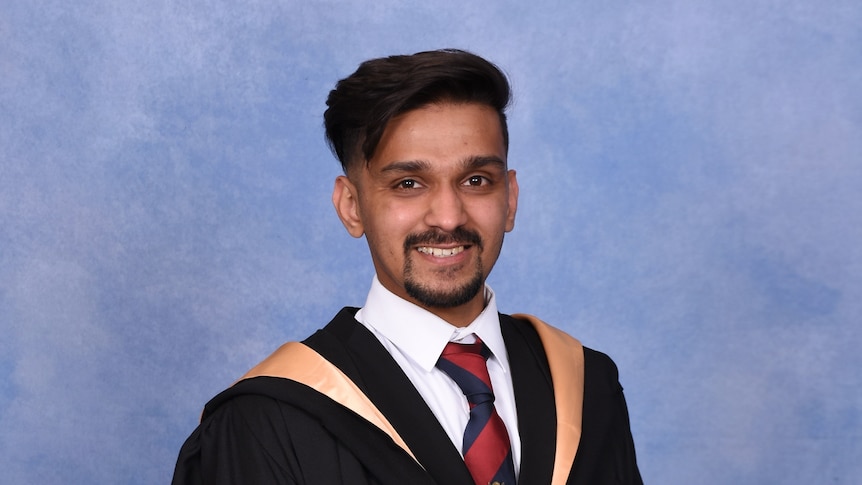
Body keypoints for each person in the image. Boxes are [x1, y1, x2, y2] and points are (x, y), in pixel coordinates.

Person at [172, 49, 642, 485]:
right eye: (409, 183)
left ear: (511, 199)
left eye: (477, 180)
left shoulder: (587, 388)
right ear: (352, 206)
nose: (448, 217)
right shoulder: (263, 422)